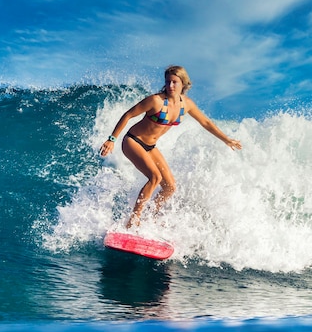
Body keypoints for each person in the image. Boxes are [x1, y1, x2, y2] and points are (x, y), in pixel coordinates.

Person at [99, 65, 242, 228]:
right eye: (168, 82)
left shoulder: (186, 105)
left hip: (150, 146)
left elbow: (206, 122)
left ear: (183, 84)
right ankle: (132, 223)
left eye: (174, 82)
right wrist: (112, 139)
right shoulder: (155, 101)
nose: (170, 86)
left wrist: (226, 139)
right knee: (155, 177)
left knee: (170, 187)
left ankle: (149, 219)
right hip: (133, 141)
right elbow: (128, 115)